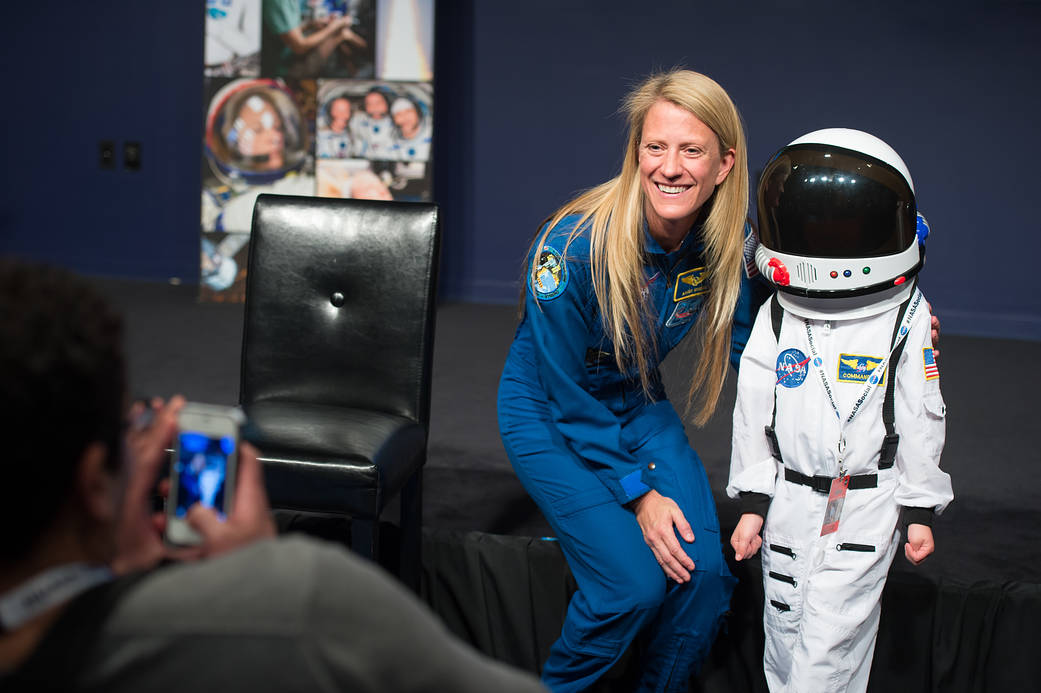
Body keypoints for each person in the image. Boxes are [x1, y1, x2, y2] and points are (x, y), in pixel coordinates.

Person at [0, 260, 547, 692]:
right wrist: (264, 572)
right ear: (94, 481)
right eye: (132, 423)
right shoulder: (304, 605)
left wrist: (114, 555)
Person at [497, 69, 769, 692]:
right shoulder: (570, 248)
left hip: (635, 400)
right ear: (636, 153)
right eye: (655, 147)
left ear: (725, 164)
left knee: (704, 577)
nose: (670, 168)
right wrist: (638, 495)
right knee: (630, 588)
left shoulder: (727, 242)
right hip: (548, 410)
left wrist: (894, 326)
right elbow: (567, 395)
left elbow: (761, 348)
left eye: (691, 150)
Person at [727, 129, 953, 692]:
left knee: (829, 645)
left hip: (864, 502)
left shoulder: (904, 318)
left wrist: (920, 505)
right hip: (788, 497)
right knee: (784, 633)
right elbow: (753, 409)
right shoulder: (779, 315)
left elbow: (923, 411)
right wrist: (754, 501)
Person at [351, 87, 397, 159]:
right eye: (369, 104)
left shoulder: (398, 120)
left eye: (378, 102)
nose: (374, 107)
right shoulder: (358, 119)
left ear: (387, 103)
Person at [389, 97, 432, 162]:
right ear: (394, 120)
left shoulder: (430, 134)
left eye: (408, 111)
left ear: (418, 113)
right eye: (398, 114)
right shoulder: (390, 145)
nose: (404, 117)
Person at [317, 95, 356, 159]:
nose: (341, 114)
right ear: (330, 112)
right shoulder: (320, 135)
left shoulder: (351, 134)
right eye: (337, 110)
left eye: (346, 110)